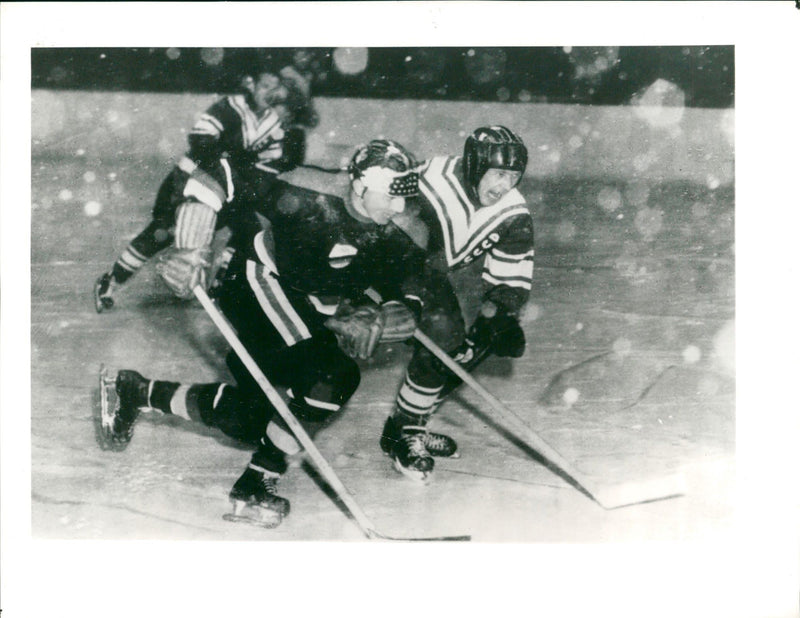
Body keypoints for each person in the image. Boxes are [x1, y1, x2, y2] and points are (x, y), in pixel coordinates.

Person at [101, 139, 453, 528]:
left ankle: (135, 391)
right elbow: (217, 172)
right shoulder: (307, 189)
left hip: (314, 305)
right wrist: (191, 248)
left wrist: (387, 315)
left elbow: (409, 290)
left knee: (259, 419)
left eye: (405, 197)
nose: (399, 208)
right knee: (332, 375)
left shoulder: (404, 228)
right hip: (257, 281)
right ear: (359, 185)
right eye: (390, 196)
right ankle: (254, 485)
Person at [379, 125, 534, 482]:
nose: (504, 185)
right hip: (386, 263)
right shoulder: (430, 179)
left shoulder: (513, 212)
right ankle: (408, 430)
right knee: (443, 334)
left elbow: (511, 275)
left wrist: (501, 315)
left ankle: (405, 429)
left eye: (513, 176)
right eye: (498, 174)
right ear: (476, 166)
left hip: (427, 272)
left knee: (468, 344)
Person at [93, 68, 291, 313]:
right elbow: (201, 141)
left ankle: (220, 285)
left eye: (275, 87)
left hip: (226, 190)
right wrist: (229, 170)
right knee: (162, 233)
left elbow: (269, 166)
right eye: (265, 86)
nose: (271, 93)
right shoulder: (228, 108)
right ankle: (112, 280)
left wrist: (245, 188)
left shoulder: (272, 123)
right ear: (250, 84)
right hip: (187, 183)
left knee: (248, 229)